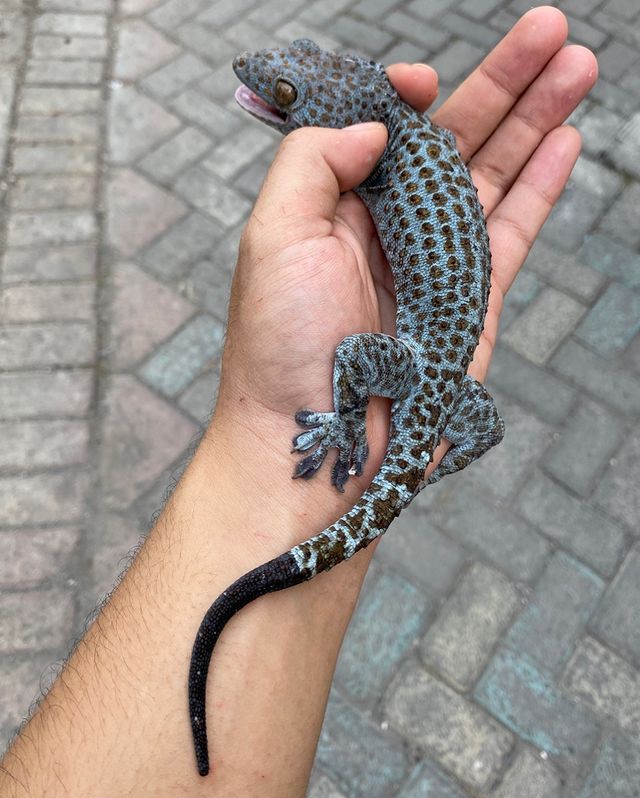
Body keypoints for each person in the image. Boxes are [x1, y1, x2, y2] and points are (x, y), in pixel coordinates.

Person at [0, 7, 597, 796]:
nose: (257, 76)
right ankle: (401, 451)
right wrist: (424, 454)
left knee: (351, 357)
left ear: (346, 123)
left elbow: (360, 353)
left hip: (421, 368)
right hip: (448, 381)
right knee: (475, 421)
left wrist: (353, 428)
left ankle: (350, 428)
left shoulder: (382, 149)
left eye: (286, 89)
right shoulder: (394, 139)